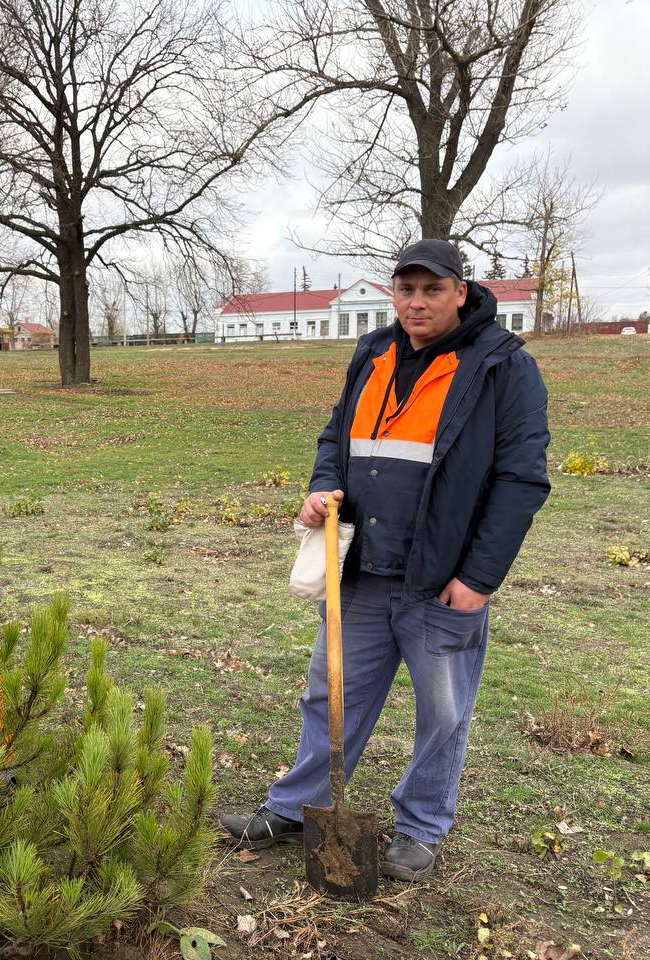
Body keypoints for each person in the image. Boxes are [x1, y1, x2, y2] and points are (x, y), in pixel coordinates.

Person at [221, 240, 551, 881]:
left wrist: (479, 578)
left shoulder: (503, 367)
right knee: (330, 697)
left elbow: (521, 481)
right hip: (363, 572)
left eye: (432, 289)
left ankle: (421, 827)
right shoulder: (372, 352)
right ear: (392, 292)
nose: (417, 302)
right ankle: (296, 807)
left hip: (441, 580)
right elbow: (334, 437)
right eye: (406, 289)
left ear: (461, 291)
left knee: (443, 713)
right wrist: (322, 488)